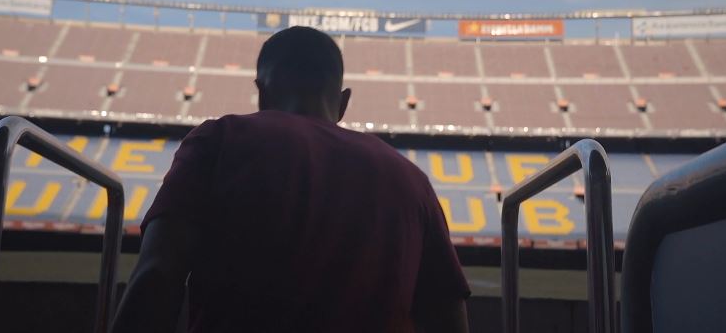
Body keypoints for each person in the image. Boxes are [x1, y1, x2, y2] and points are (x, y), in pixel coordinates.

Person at [111, 26, 470, 333]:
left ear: (262, 91)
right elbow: (447, 316)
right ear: (343, 102)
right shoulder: (411, 178)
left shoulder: (220, 139)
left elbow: (158, 274)